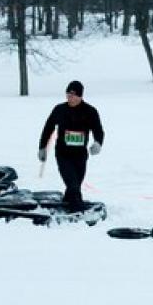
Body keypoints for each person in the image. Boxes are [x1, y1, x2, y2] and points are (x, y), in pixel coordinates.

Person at [38, 80, 105, 211]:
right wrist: (42, 147)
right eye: (68, 94)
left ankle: (68, 203)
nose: (70, 98)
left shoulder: (90, 111)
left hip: (80, 155)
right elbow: (48, 128)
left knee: (75, 185)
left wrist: (98, 143)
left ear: (80, 96)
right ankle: (77, 210)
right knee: (72, 184)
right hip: (63, 154)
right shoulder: (60, 110)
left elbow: (98, 130)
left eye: (73, 95)